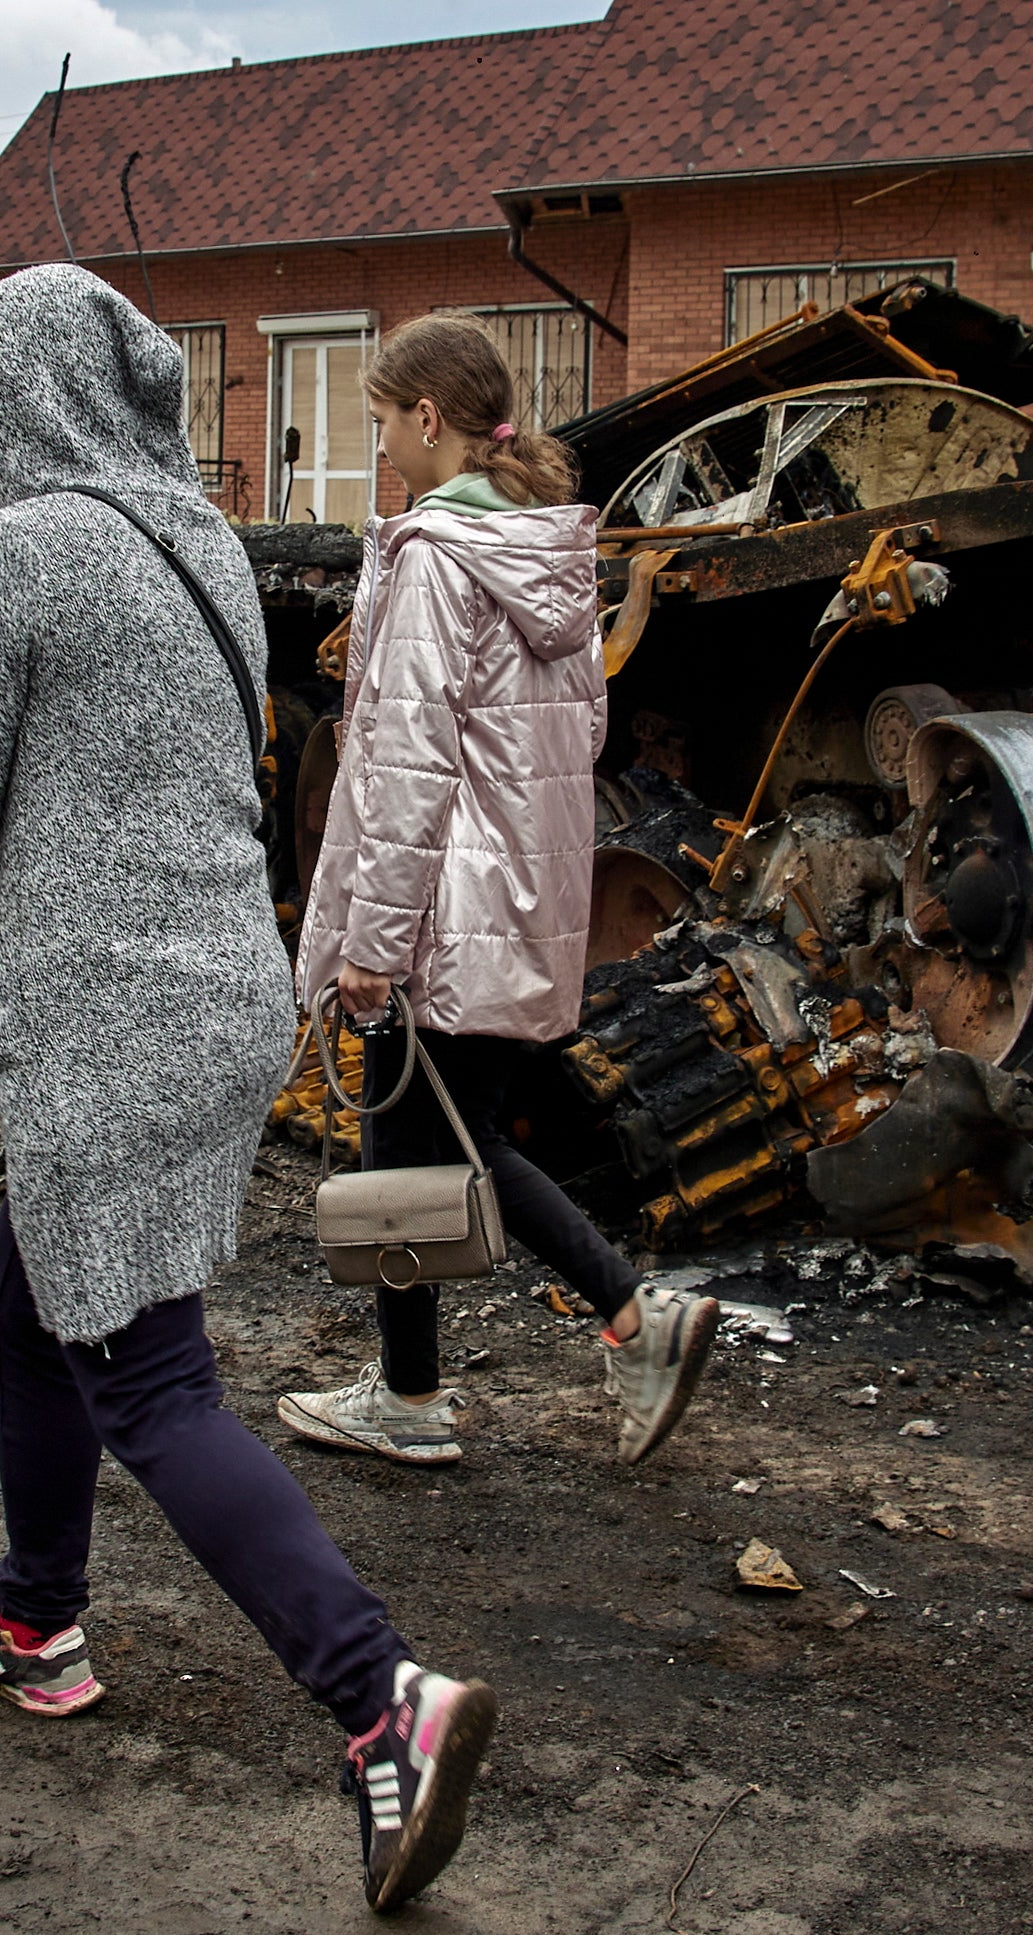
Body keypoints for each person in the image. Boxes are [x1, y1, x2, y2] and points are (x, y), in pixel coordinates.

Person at [0, 264, 496, 1915]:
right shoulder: (197, 536)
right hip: (219, 997)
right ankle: (35, 1620)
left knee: (152, 1381)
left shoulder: (17, 555)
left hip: (99, 1023)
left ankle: (380, 1699)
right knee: (29, 1295)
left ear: (27, 392)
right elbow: (102, 790)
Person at [280, 311, 719, 1469]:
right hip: (512, 898)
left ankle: (628, 1315)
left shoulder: (434, 559)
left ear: (429, 419)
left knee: (435, 1140)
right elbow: (584, 733)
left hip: (436, 912)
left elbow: (407, 763)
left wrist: (371, 940)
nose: (379, 448)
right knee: (417, 1142)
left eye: (380, 422)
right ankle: (413, 1391)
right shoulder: (543, 552)